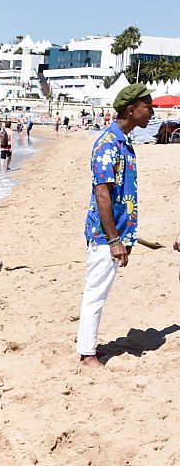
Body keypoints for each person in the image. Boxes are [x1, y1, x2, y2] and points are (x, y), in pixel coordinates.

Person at [76, 83, 153, 368]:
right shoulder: (108, 143)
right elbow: (102, 194)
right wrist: (113, 240)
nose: (152, 111)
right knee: (95, 294)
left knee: (100, 292)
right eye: (148, 106)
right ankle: (86, 355)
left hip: (117, 232)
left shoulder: (124, 141)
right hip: (104, 235)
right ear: (131, 109)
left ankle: (88, 349)